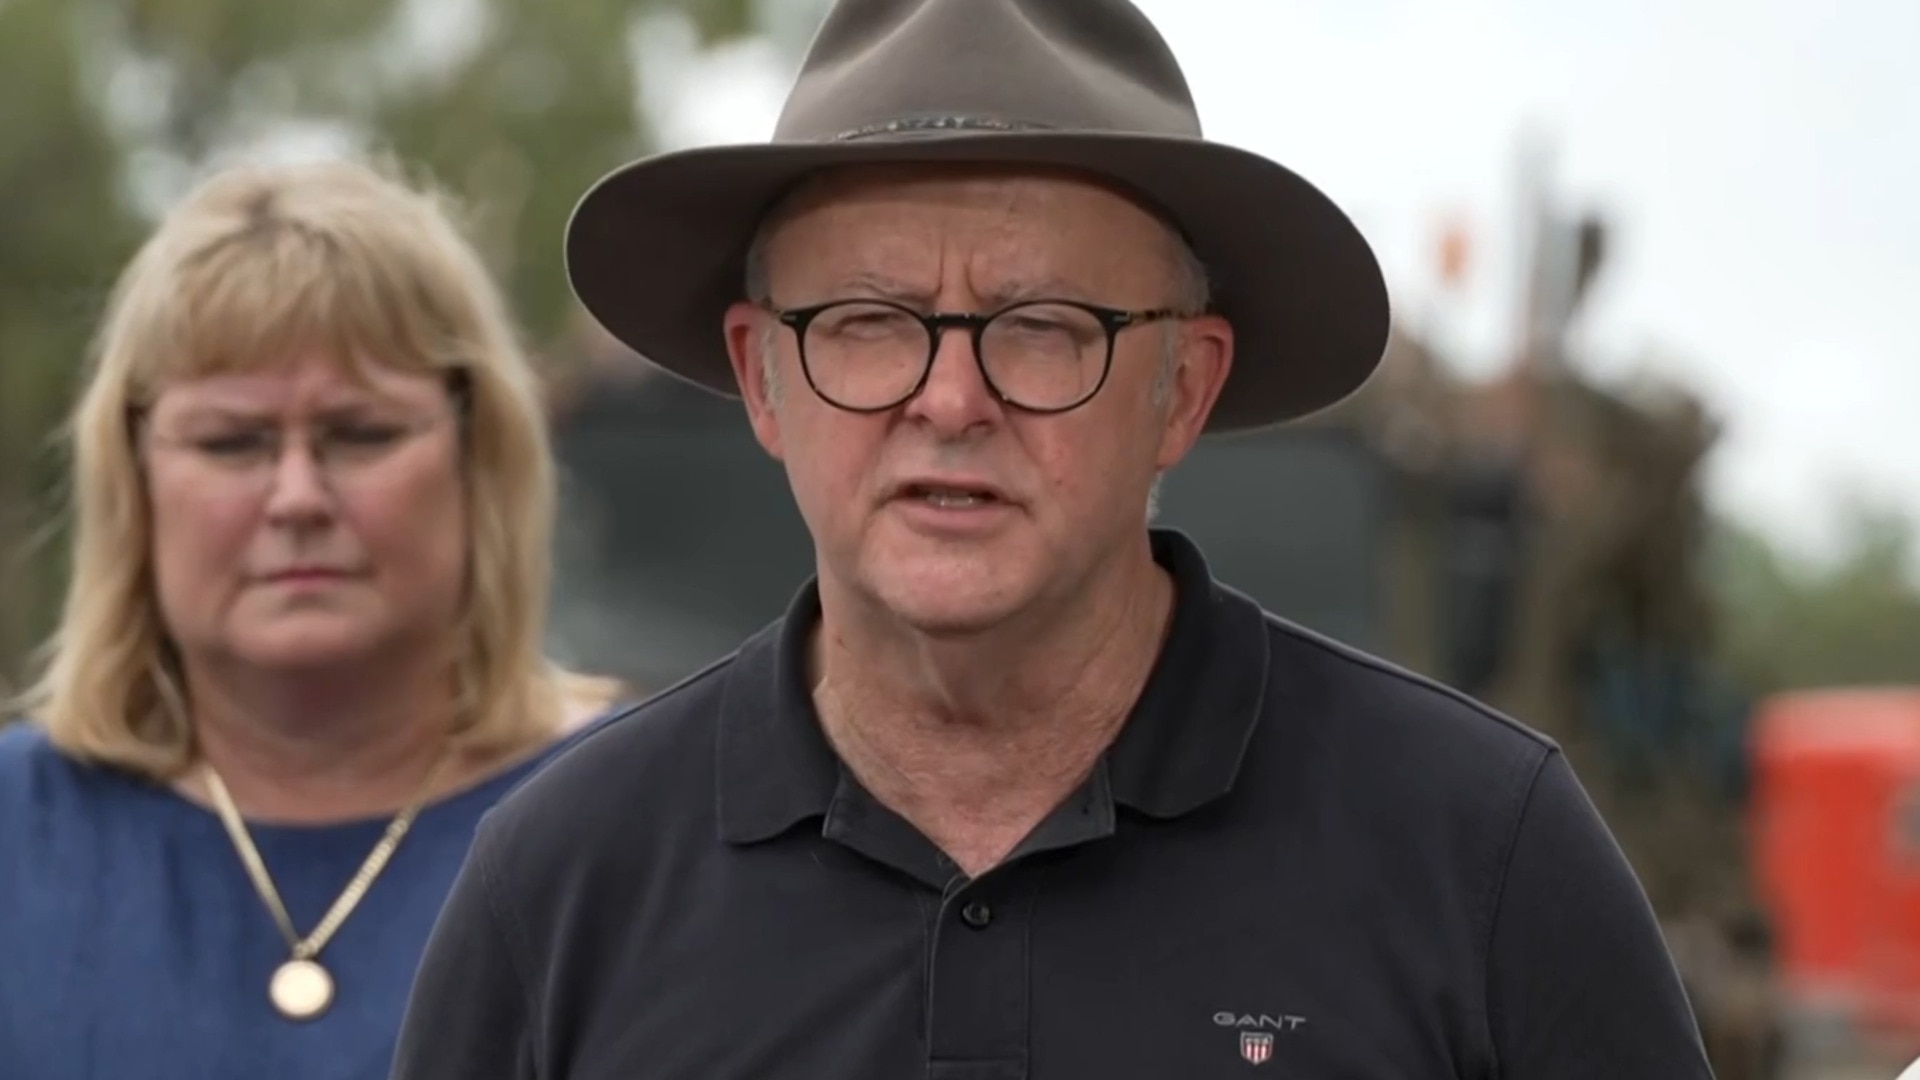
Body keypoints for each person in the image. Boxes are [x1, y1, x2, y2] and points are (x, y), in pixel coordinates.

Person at [394, 1, 1717, 1077]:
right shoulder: (563, 882)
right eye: (866, 319)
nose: (950, 401)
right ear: (760, 380)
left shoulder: (1481, 853)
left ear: (1184, 390)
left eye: (1044, 325)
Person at [0, 157, 625, 1079]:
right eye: (231, 441)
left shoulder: (640, 828)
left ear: (477, 457)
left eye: (361, 432)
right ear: (134, 478)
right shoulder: (20, 833)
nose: (296, 495)